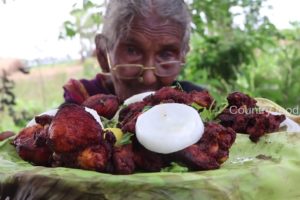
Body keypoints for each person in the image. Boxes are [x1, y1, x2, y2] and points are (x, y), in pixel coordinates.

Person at [63, 0, 204, 104]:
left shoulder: (196, 104)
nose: (149, 78)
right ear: (103, 55)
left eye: (166, 54)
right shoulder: (74, 117)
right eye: (132, 51)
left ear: (182, 57)